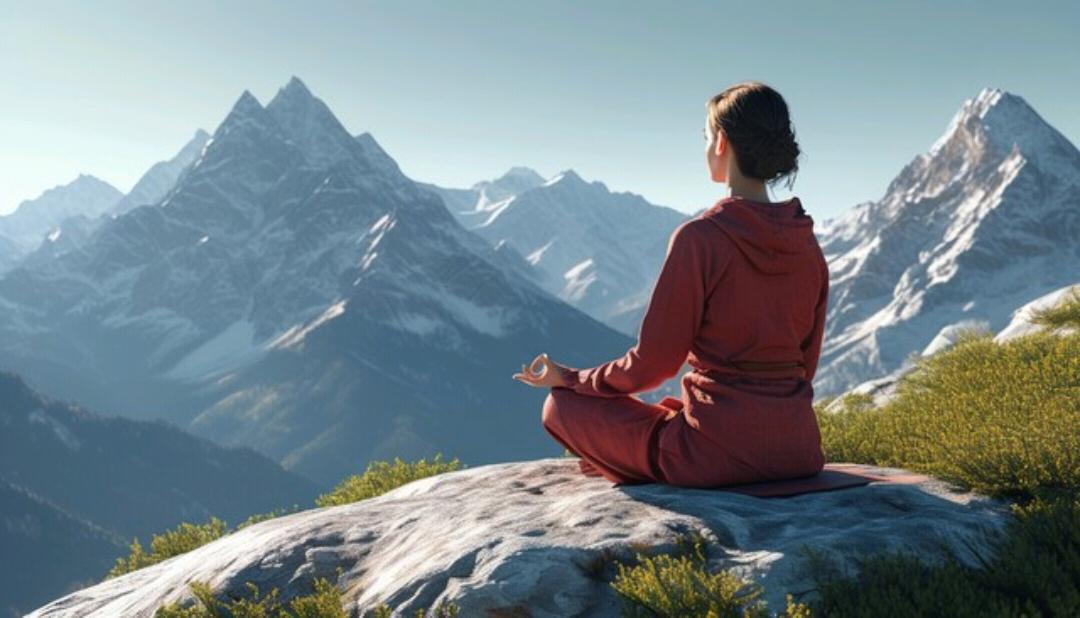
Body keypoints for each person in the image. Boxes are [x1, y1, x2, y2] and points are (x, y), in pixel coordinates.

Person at [512, 81, 829, 487]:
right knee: (669, 416)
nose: (705, 147)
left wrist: (572, 379)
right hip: (796, 451)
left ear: (722, 143)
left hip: (712, 456)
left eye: (706, 136)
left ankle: (628, 458)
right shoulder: (807, 245)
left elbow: (653, 364)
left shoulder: (702, 239)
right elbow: (805, 368)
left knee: (559, 407)